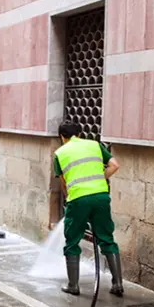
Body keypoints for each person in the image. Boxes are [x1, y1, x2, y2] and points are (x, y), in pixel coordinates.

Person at [53, 120, 124, 297]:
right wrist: (99, 178)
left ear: (62, 136)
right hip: (101, 196)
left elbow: (64, 183)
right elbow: (115, 165)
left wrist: (70, 200)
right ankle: (117, 284)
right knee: (107, 238)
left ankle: (73, 285)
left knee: (72, 240)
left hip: (78, 198)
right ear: (79, 133)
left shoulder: (59, 153)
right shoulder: (95, 145)